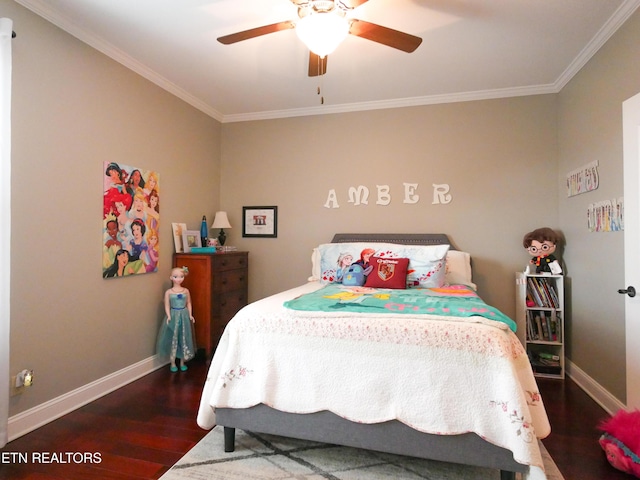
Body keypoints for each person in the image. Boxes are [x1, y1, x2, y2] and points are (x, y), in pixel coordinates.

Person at [156, 267, 196, 372]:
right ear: (171, 278)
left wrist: (190, 315)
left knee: (183, 337)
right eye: (176, 277)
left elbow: (189, 303)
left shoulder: (186, 291)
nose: (179, 279)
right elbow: (167, 305)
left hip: (183, 314)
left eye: (181, 277)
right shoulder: (169, 292)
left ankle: (182, 361)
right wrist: (168, 316)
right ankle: (173, 362)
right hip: (173, 315)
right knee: (173, 337)